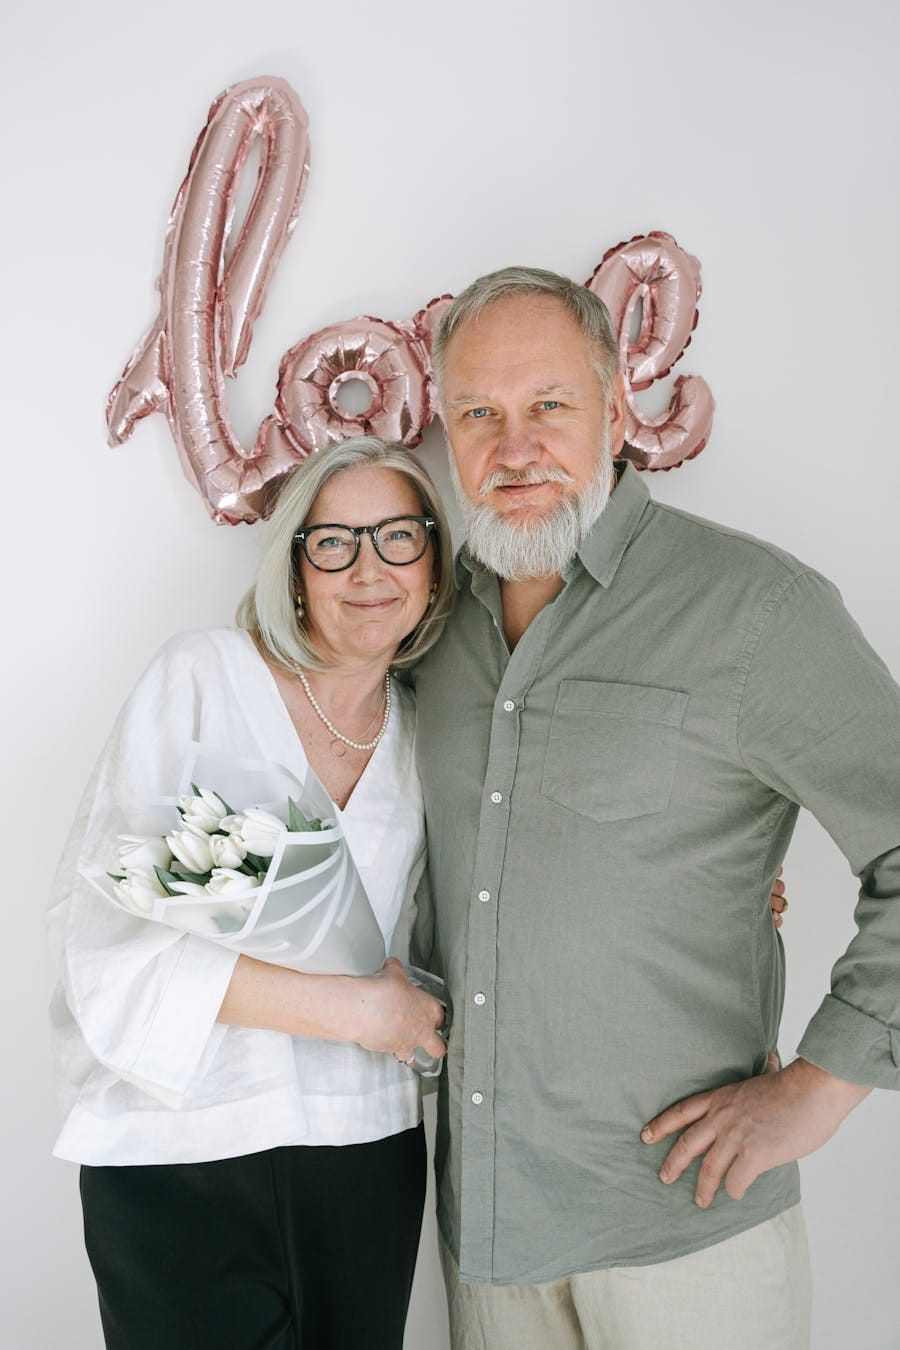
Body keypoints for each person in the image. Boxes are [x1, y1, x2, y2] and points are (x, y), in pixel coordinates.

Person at [410, 266, 900, 1349]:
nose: (513, 447)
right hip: (488, 1241)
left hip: (690, 1243)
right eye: (477, 414)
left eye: (549, 406)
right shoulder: (423, 632)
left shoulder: (755, 611)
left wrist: (823, 1086)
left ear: (619, 412)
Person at [48, 437, 454, 1350]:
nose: (368, 569)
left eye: (398, 536)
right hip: (180, 1146)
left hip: (363, 1150)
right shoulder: (203, 677)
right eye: (333, 541)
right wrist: (354, 1015)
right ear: (296, 564)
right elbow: (106, 935)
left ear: (435, 558)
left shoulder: (433, 731)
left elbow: (463, 922)